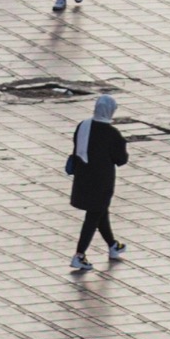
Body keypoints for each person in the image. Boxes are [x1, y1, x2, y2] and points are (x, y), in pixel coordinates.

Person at [66, 92, 126, 272]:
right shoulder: (112, 134)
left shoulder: (83, 125)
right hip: (101, 181)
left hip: (83, 178)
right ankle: (79, 255)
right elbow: (121, 159)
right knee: (93, 216)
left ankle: (113, 245)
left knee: (100, 212)